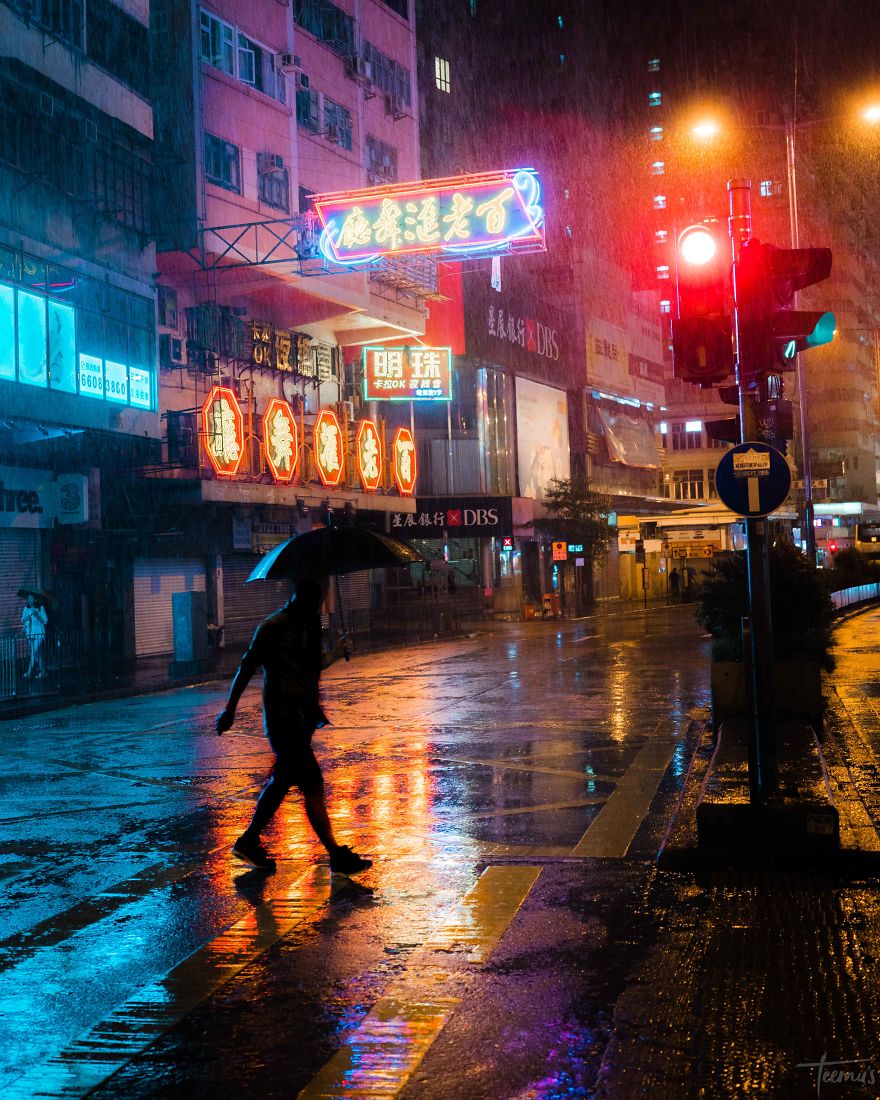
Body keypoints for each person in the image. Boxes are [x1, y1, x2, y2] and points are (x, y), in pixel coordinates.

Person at [215, 576, 370, 875]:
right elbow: (247, 667)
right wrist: (230, 710)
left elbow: (311, 666)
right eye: (317, 602)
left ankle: (248, 841)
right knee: (312, 784)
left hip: (303, 719)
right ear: (302, 600)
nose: (320, 608)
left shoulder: (309, 626)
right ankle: (335, 854)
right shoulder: (272, 628)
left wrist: (335, 652)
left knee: (283, 782)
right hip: (283, 720)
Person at [21, 595, 48, 678]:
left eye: (32, 598)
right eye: (28, 598)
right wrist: (27, 618)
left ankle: (29, 672)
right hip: (30, 633)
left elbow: (45, 621)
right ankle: (43, 672)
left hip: (39, 633)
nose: (30, 600)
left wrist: (38, 616)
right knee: (37, 654)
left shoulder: (40, 608)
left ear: (35, 600)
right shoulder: (26, 609)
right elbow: (22, 620)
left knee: (34, 652)